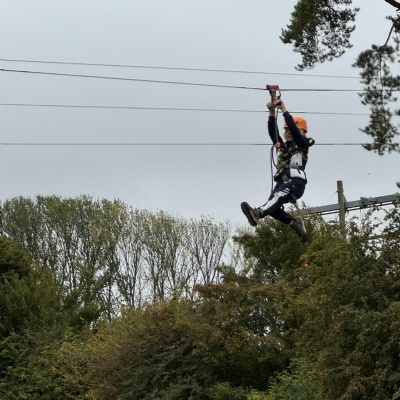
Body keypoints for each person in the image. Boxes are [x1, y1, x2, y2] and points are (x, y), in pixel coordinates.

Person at [241, 99, 314, 242]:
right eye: (285, 130)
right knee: (273, 207)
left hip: (295, 182)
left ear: (301, 132)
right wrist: (271, 113)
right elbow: (273, 134)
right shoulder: (284, 147)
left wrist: (284, 109)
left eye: (290, 130)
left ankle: (258, 213)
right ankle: (295, 223)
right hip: (283, 181)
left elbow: (294, 129)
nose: (287, 132)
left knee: (275, 199)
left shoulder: (303, 144)